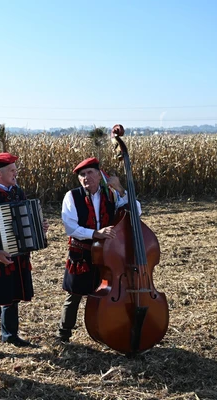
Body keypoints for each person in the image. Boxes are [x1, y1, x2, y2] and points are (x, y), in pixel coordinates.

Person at [59, 124, 141, 343]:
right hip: (82, 253)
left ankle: (105, 330)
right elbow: (70, 227)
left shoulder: (111, 194)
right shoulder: (72, 197)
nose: (86, 178)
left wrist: (121, 189)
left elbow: (137, 211)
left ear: (99, 175)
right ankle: (64, 334)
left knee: (107, 295)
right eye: (82, 175)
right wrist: (96, 233)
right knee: (74, 295)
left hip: (109, 256)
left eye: (90, 173)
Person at [0, 152, 47, 358]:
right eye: (12, 171)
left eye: (15, 169)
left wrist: (38, 227)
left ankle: (10, 334)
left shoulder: (17, 191)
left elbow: (23, 221)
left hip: (18, 253)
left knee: (13, 297)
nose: (16, 173)